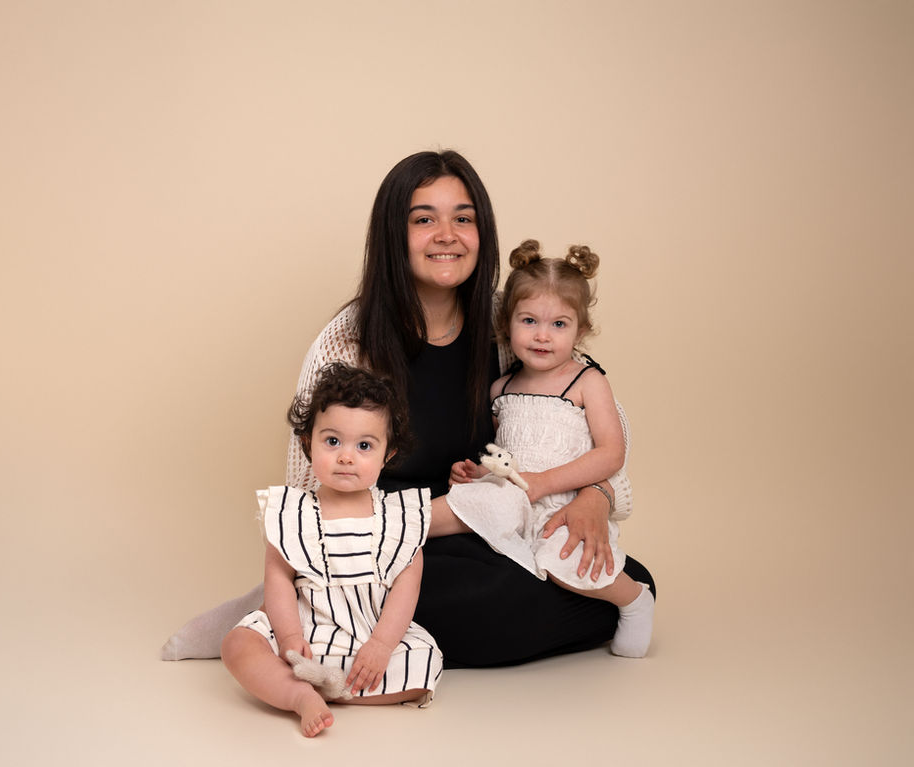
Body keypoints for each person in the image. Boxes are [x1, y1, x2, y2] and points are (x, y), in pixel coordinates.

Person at [162, 149, 655, 667]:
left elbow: (600, 434)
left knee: (628, 578)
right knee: (492, 604)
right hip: (382, 545)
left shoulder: (512, 328)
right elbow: (311, 480)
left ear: (481, 232)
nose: (447, 234)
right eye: (425, 219)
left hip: (494, 528)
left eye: (463, 218)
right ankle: (290, 603)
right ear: (394, 235)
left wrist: (595, 497)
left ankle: (333, 617)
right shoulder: (349, 342)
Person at [432, 239, 654, 658]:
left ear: (581, 331)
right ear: (507, 323)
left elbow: (611, 454)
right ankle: (398, 528)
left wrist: (543, 483)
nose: (541, 335)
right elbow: (503, 459)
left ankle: (634, 599)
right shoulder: (502, 388)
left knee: (565, 559)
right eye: (529, 320)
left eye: (559, 325)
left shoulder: (587, 383)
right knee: (471, 501)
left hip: (564, 506)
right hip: (516, 498)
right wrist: (479, 473)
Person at [221, 363, 442, 737]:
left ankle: (332, 687)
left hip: (369, 635)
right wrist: (290, 641)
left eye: (365, 446)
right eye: (333, 441)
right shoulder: (294, 514)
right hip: (305, 630)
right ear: (308, 442)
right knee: (237, 645)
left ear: (388, 454)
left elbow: (408, 587)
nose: (346, 457)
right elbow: (277, 581)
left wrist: (382, 645)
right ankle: (300, 695)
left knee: (426, 665)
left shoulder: (398, 518)